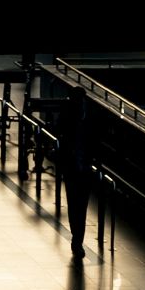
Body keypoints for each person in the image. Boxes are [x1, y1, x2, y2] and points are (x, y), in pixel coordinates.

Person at [59, 85, 92, 259]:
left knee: (76, 205)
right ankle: (77, 239)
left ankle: (77, 239)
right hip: (78, 167)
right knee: (79, 206)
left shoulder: (71, 115)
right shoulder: (86, 117)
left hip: (77, 167)